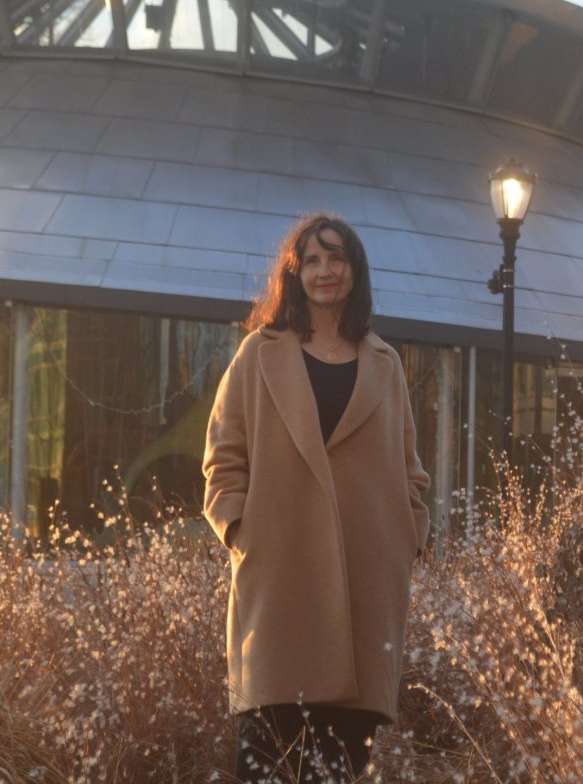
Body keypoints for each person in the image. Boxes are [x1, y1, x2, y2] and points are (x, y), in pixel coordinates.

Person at [202, 213, 430, 782]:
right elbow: (223, 458)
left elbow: (411, 473)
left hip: (365, 585)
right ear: (294, 272)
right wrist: (242, 531)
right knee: (265, 756)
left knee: (342, 764)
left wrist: (409, 539)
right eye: (312, 260)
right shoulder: (259, 354)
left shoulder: (385, 364)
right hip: (279, 581)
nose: (325, 271)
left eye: (336, 258)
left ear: (355, 270)